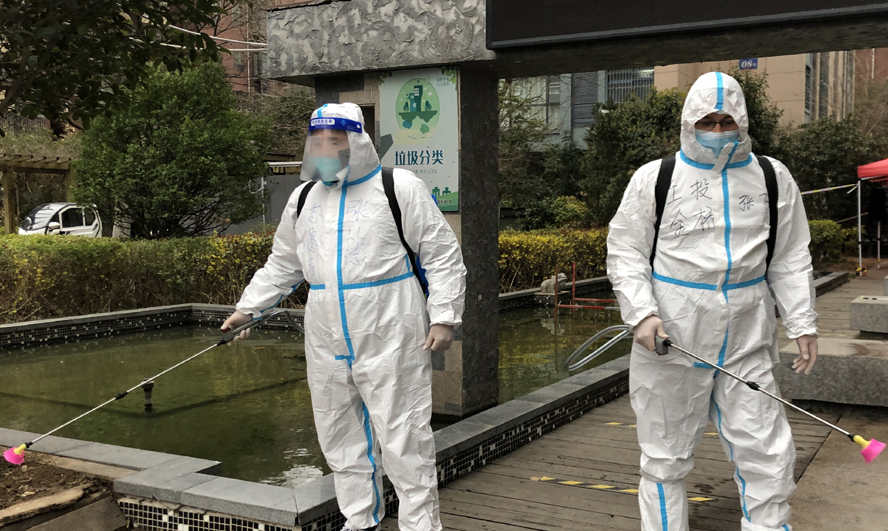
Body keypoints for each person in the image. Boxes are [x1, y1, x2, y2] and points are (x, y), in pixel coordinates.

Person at [222, 103, 466, 531]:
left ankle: (420, 525)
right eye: (316, 143)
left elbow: (441, 253)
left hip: (390, 323)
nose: (324, 151)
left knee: (404, 433)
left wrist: (444, 317)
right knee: (338, 432)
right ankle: (360, 519)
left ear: (357, 143)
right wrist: (248, 309)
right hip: (325, 330)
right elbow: (284, 264)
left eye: (334, 141)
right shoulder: (304, 198)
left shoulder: (397, 187)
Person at [607, 72, 818, 531]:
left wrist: (802, 323)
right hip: (674, 336)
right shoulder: (656, 178)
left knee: (768, 452)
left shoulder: (771, 176)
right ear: (689, 122)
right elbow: (625, 251)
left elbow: (789, 255)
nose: (718, 130)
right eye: (708, 121)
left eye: (727, 121)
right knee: (665, 456)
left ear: (742, 121)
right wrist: (642, 314)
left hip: (747, 336)